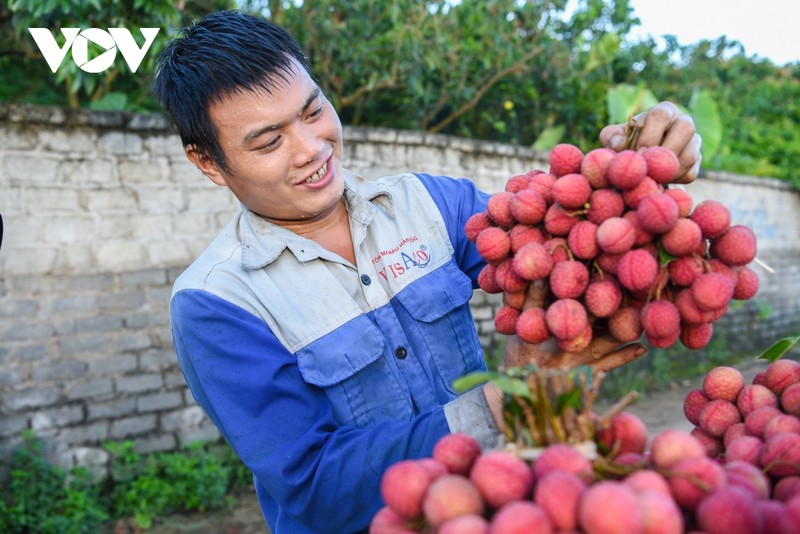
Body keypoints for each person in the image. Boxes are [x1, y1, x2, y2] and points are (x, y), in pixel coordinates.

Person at [153, 10, 701, 533]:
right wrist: (504, 400)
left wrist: (637, 163)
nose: (312, 149)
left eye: (314, 111)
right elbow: (315, 484)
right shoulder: (216, 304)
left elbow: (564, 247)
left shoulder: (428, 205)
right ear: (208, 162)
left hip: (511, 508)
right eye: (270, 141)